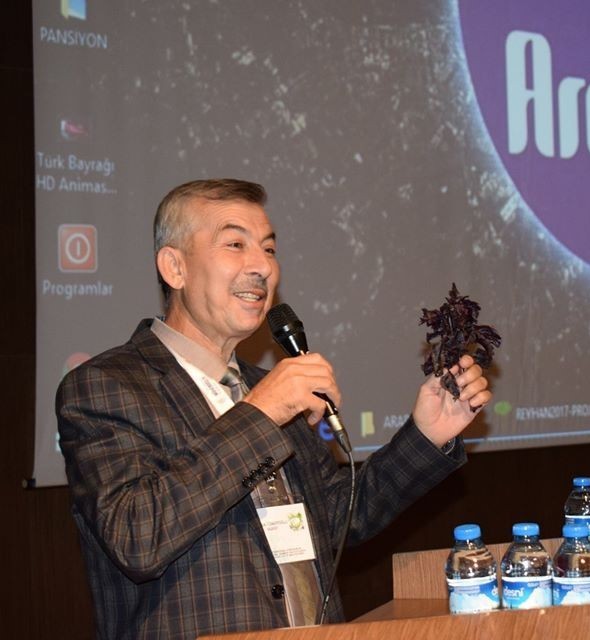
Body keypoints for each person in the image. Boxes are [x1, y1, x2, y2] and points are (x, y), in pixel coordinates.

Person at [56, 178, 492, 639]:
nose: (262, 266)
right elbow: (137, 536)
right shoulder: (105, 386)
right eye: (235, 244)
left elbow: (339, 518)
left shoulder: (268, 387)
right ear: (174, 267)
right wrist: (262, 412)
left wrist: (426, 434)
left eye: (268, 249)